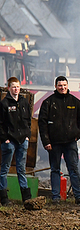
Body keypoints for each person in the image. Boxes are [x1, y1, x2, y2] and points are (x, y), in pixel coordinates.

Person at [38, 76, 80, 204]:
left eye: (64, 85)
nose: (62, 87)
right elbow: (42, 124)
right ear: (55, 86)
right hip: (54, 143)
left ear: (67, 85)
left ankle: (79, 196)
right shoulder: (48, 103)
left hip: (70, 142)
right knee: (55, 169)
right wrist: (46, 141)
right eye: (60, 85)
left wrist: (77, 134)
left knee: (74, 169)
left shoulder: (75, 102)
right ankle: (56, 197)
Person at [0, 77, 32, 206]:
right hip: (9, 141)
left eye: (17, 86)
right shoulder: (4, 104)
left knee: (21, 169)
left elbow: (28, 120)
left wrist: (27, 136)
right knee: (4, 169)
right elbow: (0, 124)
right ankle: (3, 198)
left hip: (22, 140)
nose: (16, 89)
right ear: (9, 88)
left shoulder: (24, 102)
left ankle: (26, 197)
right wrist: (5, 139)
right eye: (13, 86)